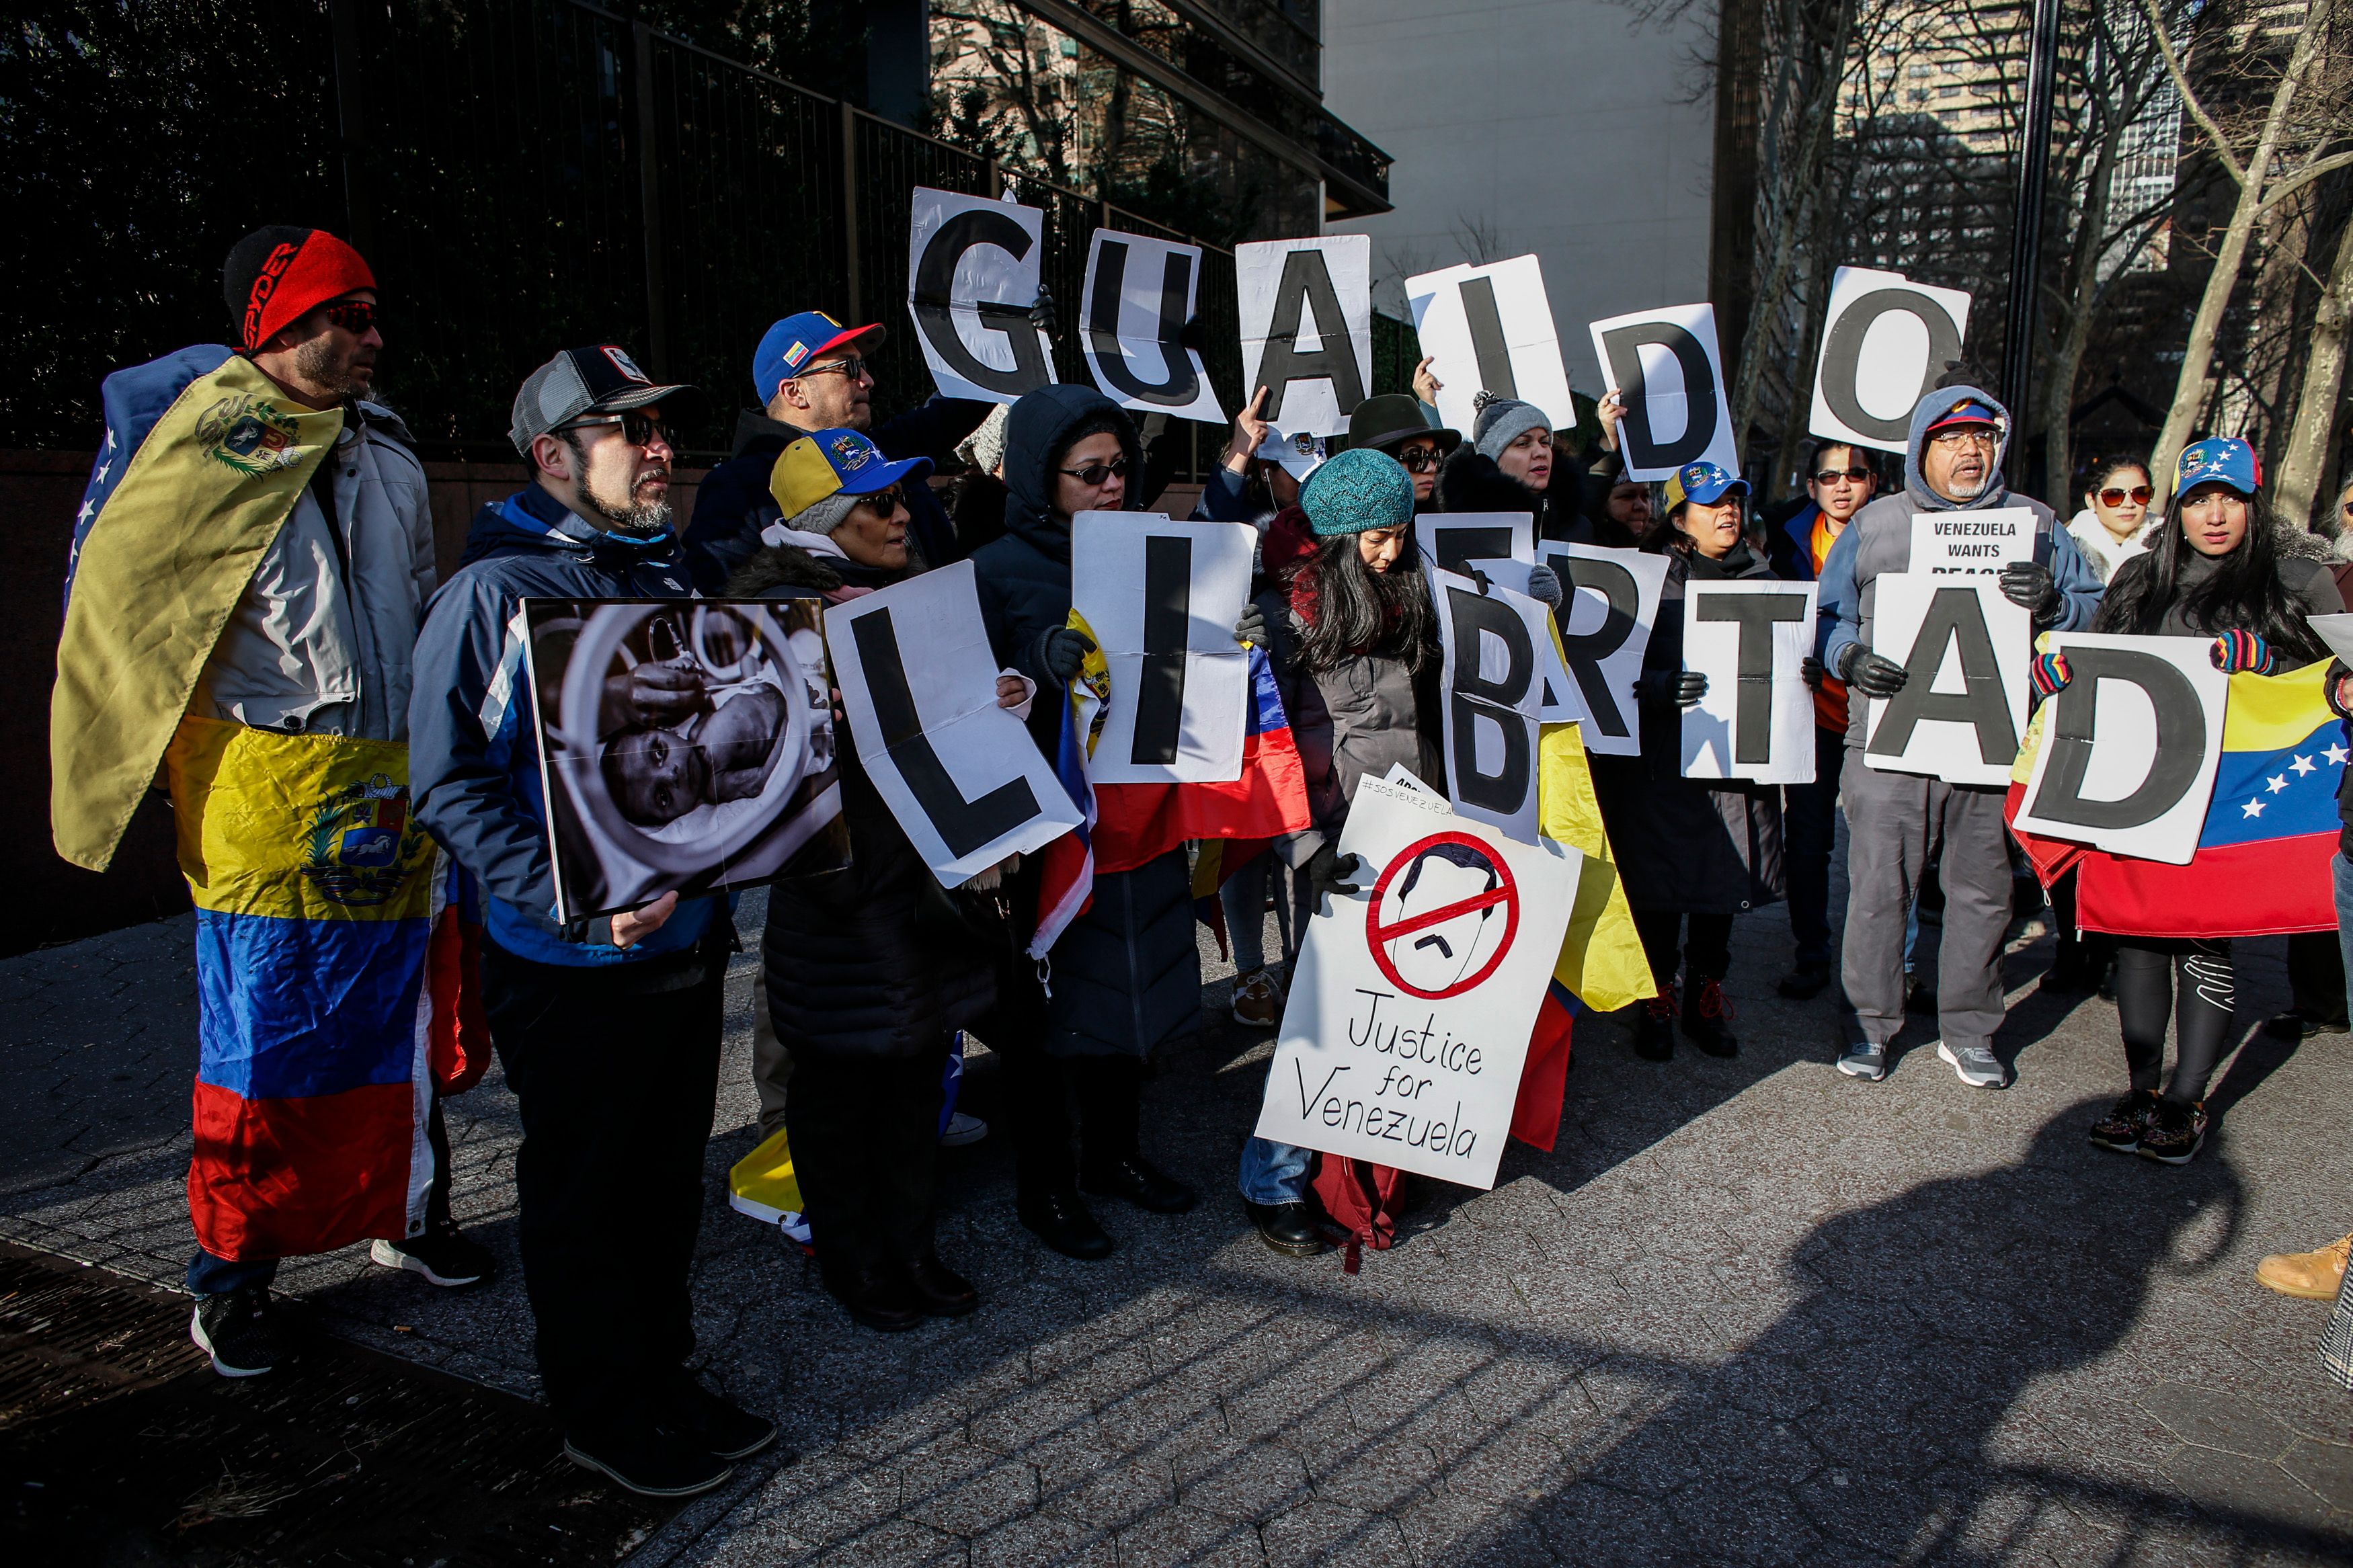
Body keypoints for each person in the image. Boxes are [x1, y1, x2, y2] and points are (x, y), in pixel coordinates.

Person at [48, 226, 495, 1380]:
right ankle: (231, 1277)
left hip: (388, 784)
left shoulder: (388, 447)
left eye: (373, 314)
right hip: (266, 795)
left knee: (403, 1012)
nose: (374, 339)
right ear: (282, 324)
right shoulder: (203, 454)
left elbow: (414, 603)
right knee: (265, 1042)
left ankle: (411, 1211)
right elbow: (126, 619)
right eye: (350, 318)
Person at [410, 345, 774, 1498]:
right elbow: (448, 783)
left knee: (666, 1185)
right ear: (555, 455)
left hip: (683, 948)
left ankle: (663, 1377)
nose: (661, 449)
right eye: (631, 432)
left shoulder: (670, 577)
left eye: (664, 428)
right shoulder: (494, 595)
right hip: (570, 965)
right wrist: (570, 892)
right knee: (586, 1196)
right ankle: (600, 1410)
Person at [725, 427, 1023, 1331]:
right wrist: (812, 705)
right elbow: (744, 758)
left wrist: (1002, 689)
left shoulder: (914, 593)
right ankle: (856, 1258)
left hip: (929, 878)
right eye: (880, 504)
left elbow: (952, 712)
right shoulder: (772, 615)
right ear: (821, 524)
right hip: (842, 894)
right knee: (841, 1085)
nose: (904, 515)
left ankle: (912, 1245)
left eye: (904, 498)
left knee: (919, 1071)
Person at [970, 384, 1215, 1258]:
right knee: (1049, 1028)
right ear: (1042, 478)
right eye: (1090, 473)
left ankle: (1117, 1155)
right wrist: (1034, 666)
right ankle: (1049, 1187)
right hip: (1052, 839)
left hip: (1141, 820)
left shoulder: (1153, 553)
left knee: (1130, 1006)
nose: (1113, 485)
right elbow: (968, 705)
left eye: (1121, 468)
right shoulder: (994, 571)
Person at [2055, 438, 2340, 1163]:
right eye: (2198, 499)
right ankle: (2140, 1091)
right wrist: (2056, 669)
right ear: (2176, 507)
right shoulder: (2135, 583)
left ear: (2251, 503)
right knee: (2139, 940)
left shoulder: (2293, 582)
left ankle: (2186, 1100)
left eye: (2230, 500)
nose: (2213, 515)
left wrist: (2267, 658)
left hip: (2228, 796)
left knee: (2203, 941)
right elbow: (2096, 666)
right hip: (2140, 790)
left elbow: (2336, 682)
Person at [1819, 383, 2102, 1089]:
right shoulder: (1876, 522)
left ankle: (1969, 1030)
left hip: (1987, 740)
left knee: (1982, 893)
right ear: (1920, 449)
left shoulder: (2034, 522)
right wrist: (1847, 657)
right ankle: (1869, 1023)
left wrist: (2057, 601)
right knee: (1878, 888)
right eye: (1950, 438)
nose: (1969, 450)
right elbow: (1826, 617)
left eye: (1981, 437)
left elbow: (2095, 610)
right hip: (1885, 743)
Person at [1238, 448, 1444, 1253]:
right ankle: (1273, 1178)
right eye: (1374, 539)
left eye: (1400, 534)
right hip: (1332, 844)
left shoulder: (1419, 600)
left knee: (1391, 1008)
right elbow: (1266, 742)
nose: (1392, 553)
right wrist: (1302, 846)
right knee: (1315, 1016)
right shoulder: (1288, 622)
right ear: (1334, 539)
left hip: (1415, 828)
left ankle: (1364, 1166)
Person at [1595, 461, 1785, 1060]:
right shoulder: (1646, 582)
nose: (1728, 511)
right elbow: (1610, 667)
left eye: (1734, 501)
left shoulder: (1766, 580)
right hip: (1665, 766)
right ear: (1679, 518)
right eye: (1712, 504)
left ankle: (1706, 995)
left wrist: (1802, 670)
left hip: (1734, 762)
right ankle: (1655, 997)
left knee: (1722, 885)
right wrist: (1655, 686)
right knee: (1660, 889)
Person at [680, 310, 994, 591]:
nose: (868, 381)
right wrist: (812, 596)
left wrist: (1011, 343)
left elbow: (953, 410)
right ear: (795, 391)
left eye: (893, 497)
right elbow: (719, 602)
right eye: (850, 368)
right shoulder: (739, 488)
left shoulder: (874, 452)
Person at [1763, 440, 1878, 1000]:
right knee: (1808, 843)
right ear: (1810, 486)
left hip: (1878, 717)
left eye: (1854, 473)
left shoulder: (1903, 533)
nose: (1842, 484)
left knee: (1882, 846)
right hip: (1810, 717)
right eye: (1829, 475)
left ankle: (1891, 965)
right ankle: (1812, 952)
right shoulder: (1781, 536)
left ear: (1873, 482)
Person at [1435, 392, 1591, 543]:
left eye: (1544, 442)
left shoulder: (1579, 528)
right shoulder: (1463, 529)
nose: (1541, 453)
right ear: (1491, 458)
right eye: (1523, 444)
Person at [2066, 455, 2161, 583]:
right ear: (2091, 501)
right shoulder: (2068, 544)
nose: (2129, 504)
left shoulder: (2167, 540)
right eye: (2114, 495)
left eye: (2141, 493)